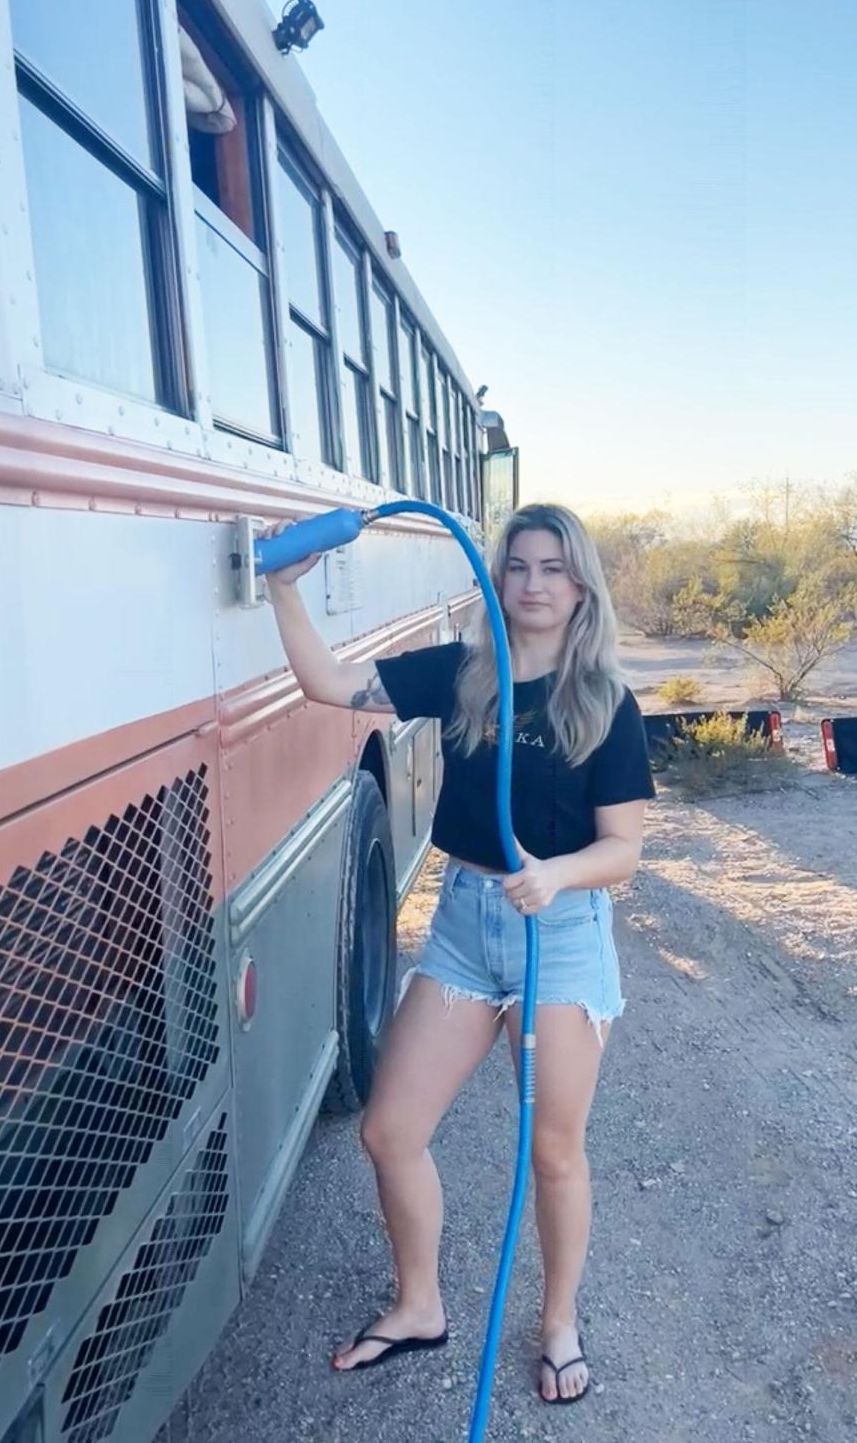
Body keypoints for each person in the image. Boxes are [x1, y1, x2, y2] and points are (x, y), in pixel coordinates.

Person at [259, 502, 655, 1405]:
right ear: (497, 577)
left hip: (556, 933)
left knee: (553, 1152)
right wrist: (284, 590)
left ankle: (558, 1321)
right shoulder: (466, 675)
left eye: (553, 568)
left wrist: (557, 876)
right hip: (465, 928)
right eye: (517, 565)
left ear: (581, 581)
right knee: (388, 1129)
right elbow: (328, 682)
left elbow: (624, 850)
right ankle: (419, 1304)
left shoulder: (605, 701)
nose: (533, 583)